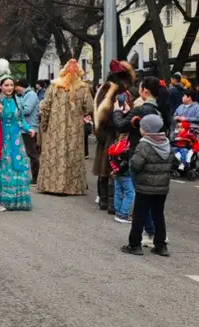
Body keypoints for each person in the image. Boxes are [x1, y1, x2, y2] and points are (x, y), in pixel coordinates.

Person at [37, 59, 94, 195]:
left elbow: (45, 107)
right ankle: (72, 186)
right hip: (74, 130)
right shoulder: (83, 88)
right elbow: (89, 107)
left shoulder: (54, 87)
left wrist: (45, 125)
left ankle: (51, 185)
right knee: (72, 154)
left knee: (54, 154)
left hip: (54, 128)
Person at [121, 114, 173, 256]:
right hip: (162, 188)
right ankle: (161, 245)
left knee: (139, 215)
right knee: (158, 215)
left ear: (147, 129)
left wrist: (131, 163)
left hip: (145, 186)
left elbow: (136, 165)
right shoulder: (166, 143)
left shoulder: (144, 144)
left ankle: (134, 245)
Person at [93, 60, 137, 212]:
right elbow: (106, 114)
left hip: (104, 133)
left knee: (105, 168)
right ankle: (111, 203)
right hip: (114, 134)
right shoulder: (117, 91)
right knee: (113, 167)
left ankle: (104, 200)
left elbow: (98, 115)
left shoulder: (104, 89)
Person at [0, 75, 34, 211]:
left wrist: (29, 130)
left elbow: (21, 120)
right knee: (6, 166)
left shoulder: (19, 100)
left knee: (18, 165)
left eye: (11, 85)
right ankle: (5, 199)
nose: (9, 88)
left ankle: (20, 200)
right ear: (0, 87)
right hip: (4, 137)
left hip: (17, 138)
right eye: (6, 85)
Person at [14, 78, 40, 184]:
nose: (15, 89)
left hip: (30, 128)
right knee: (30, 152)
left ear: (20, 86)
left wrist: (15, 111)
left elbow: (27, 110)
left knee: (32, 153)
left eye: (16, 86)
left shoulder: (31, 95)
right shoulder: (26, 95)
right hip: (26, 128)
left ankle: (36, 177)